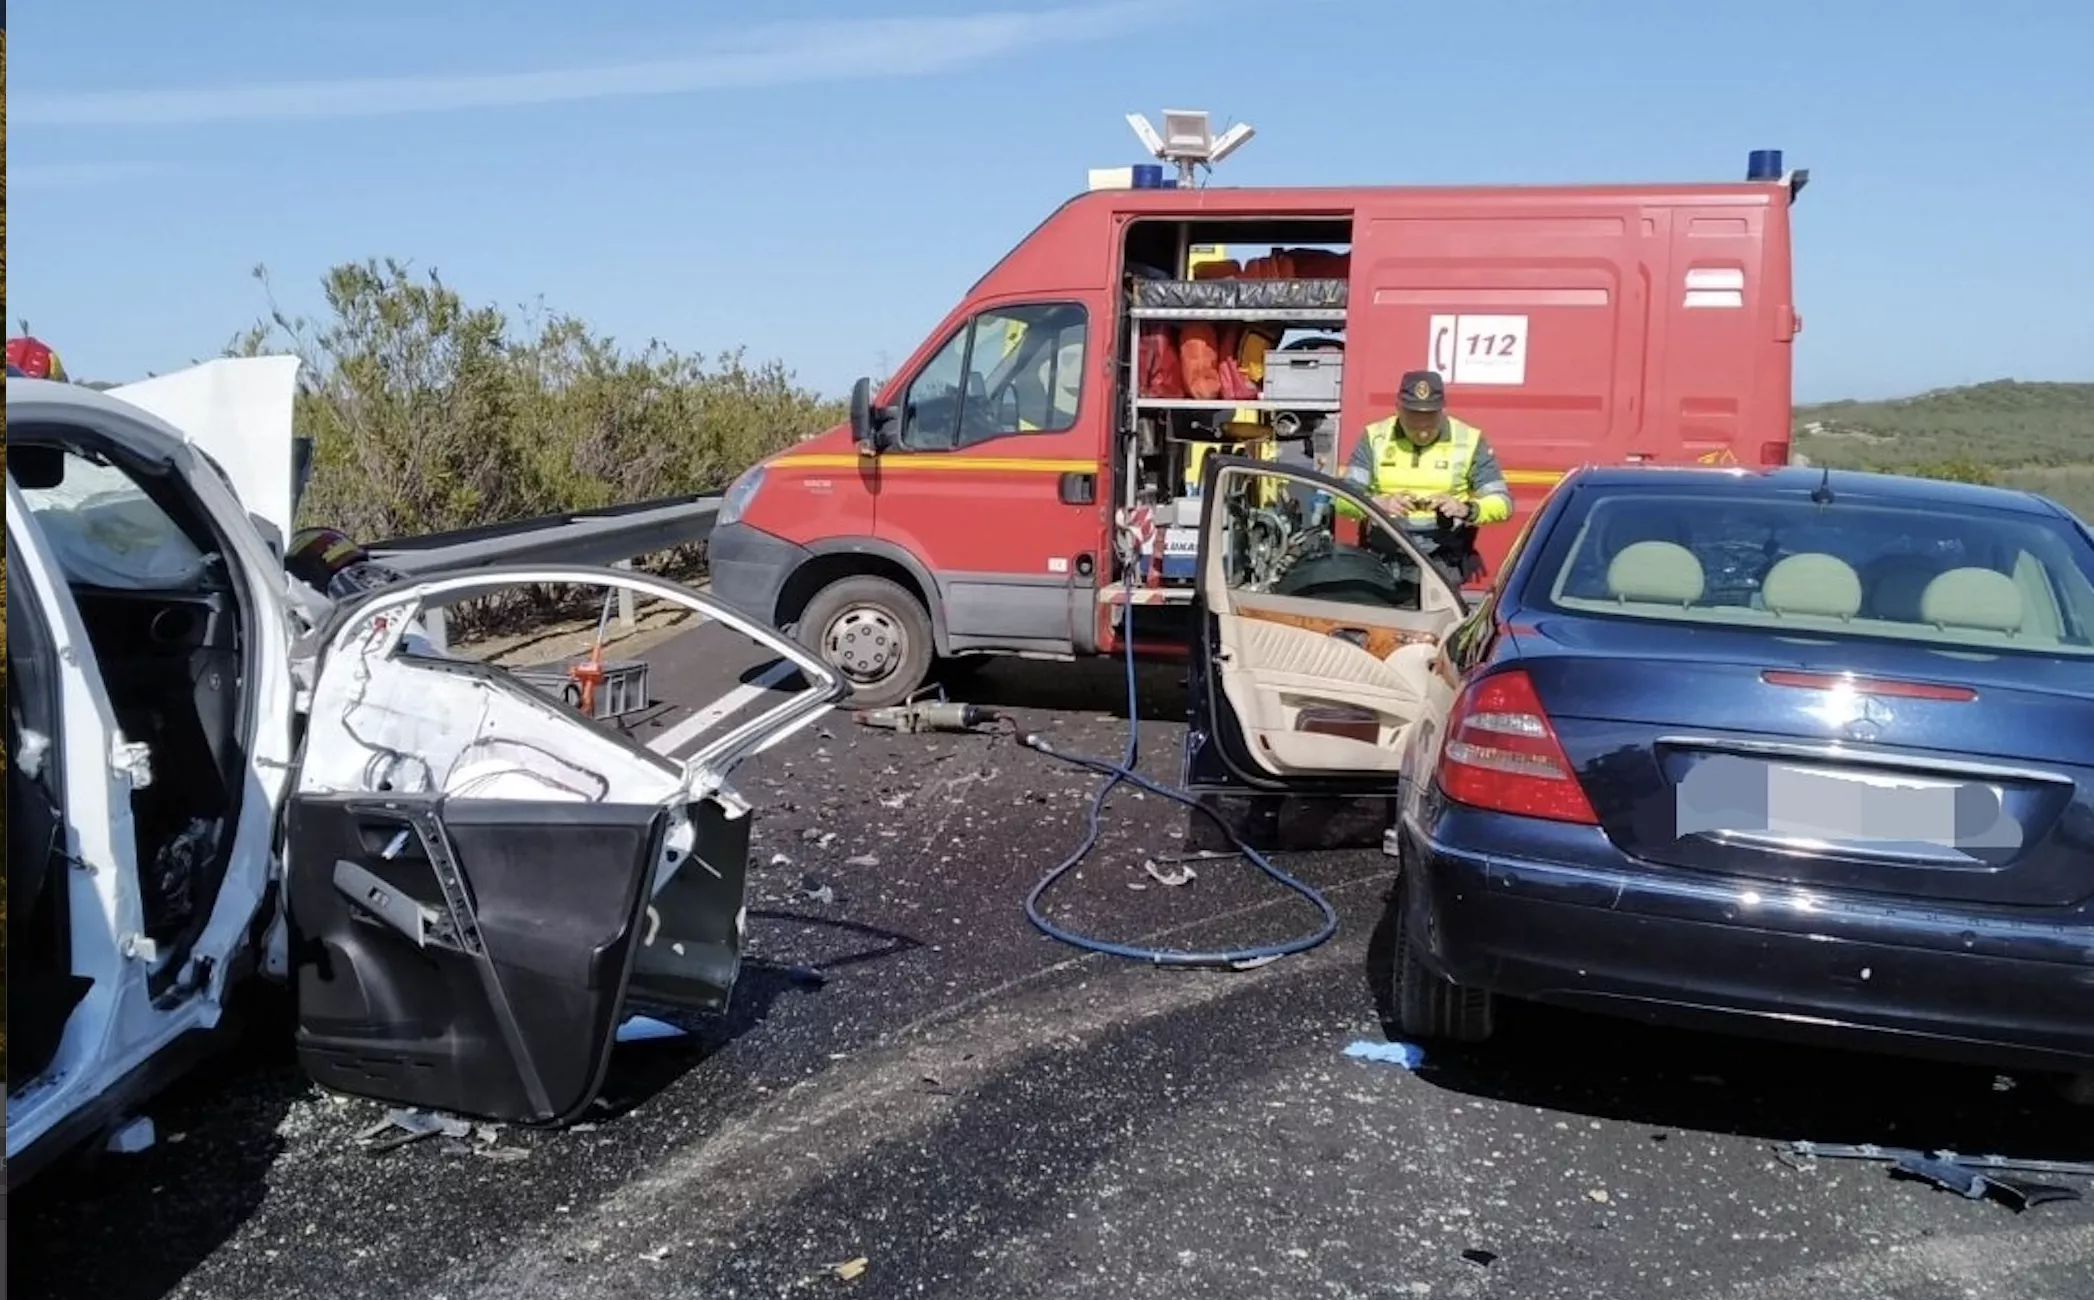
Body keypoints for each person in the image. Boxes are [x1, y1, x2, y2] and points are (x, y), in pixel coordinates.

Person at [1341, 369, 1514, 589]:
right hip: (1383, 560)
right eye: (1413, 424)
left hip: (1443, 562)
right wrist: (1377, 504)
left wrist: (1464, 509)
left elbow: (1503, 503)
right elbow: (1342, 498)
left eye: (1430, 423)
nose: (1422, 433)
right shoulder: (1374, 438)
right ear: (1398, 409)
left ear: (1443, 410)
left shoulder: (1469, 440)